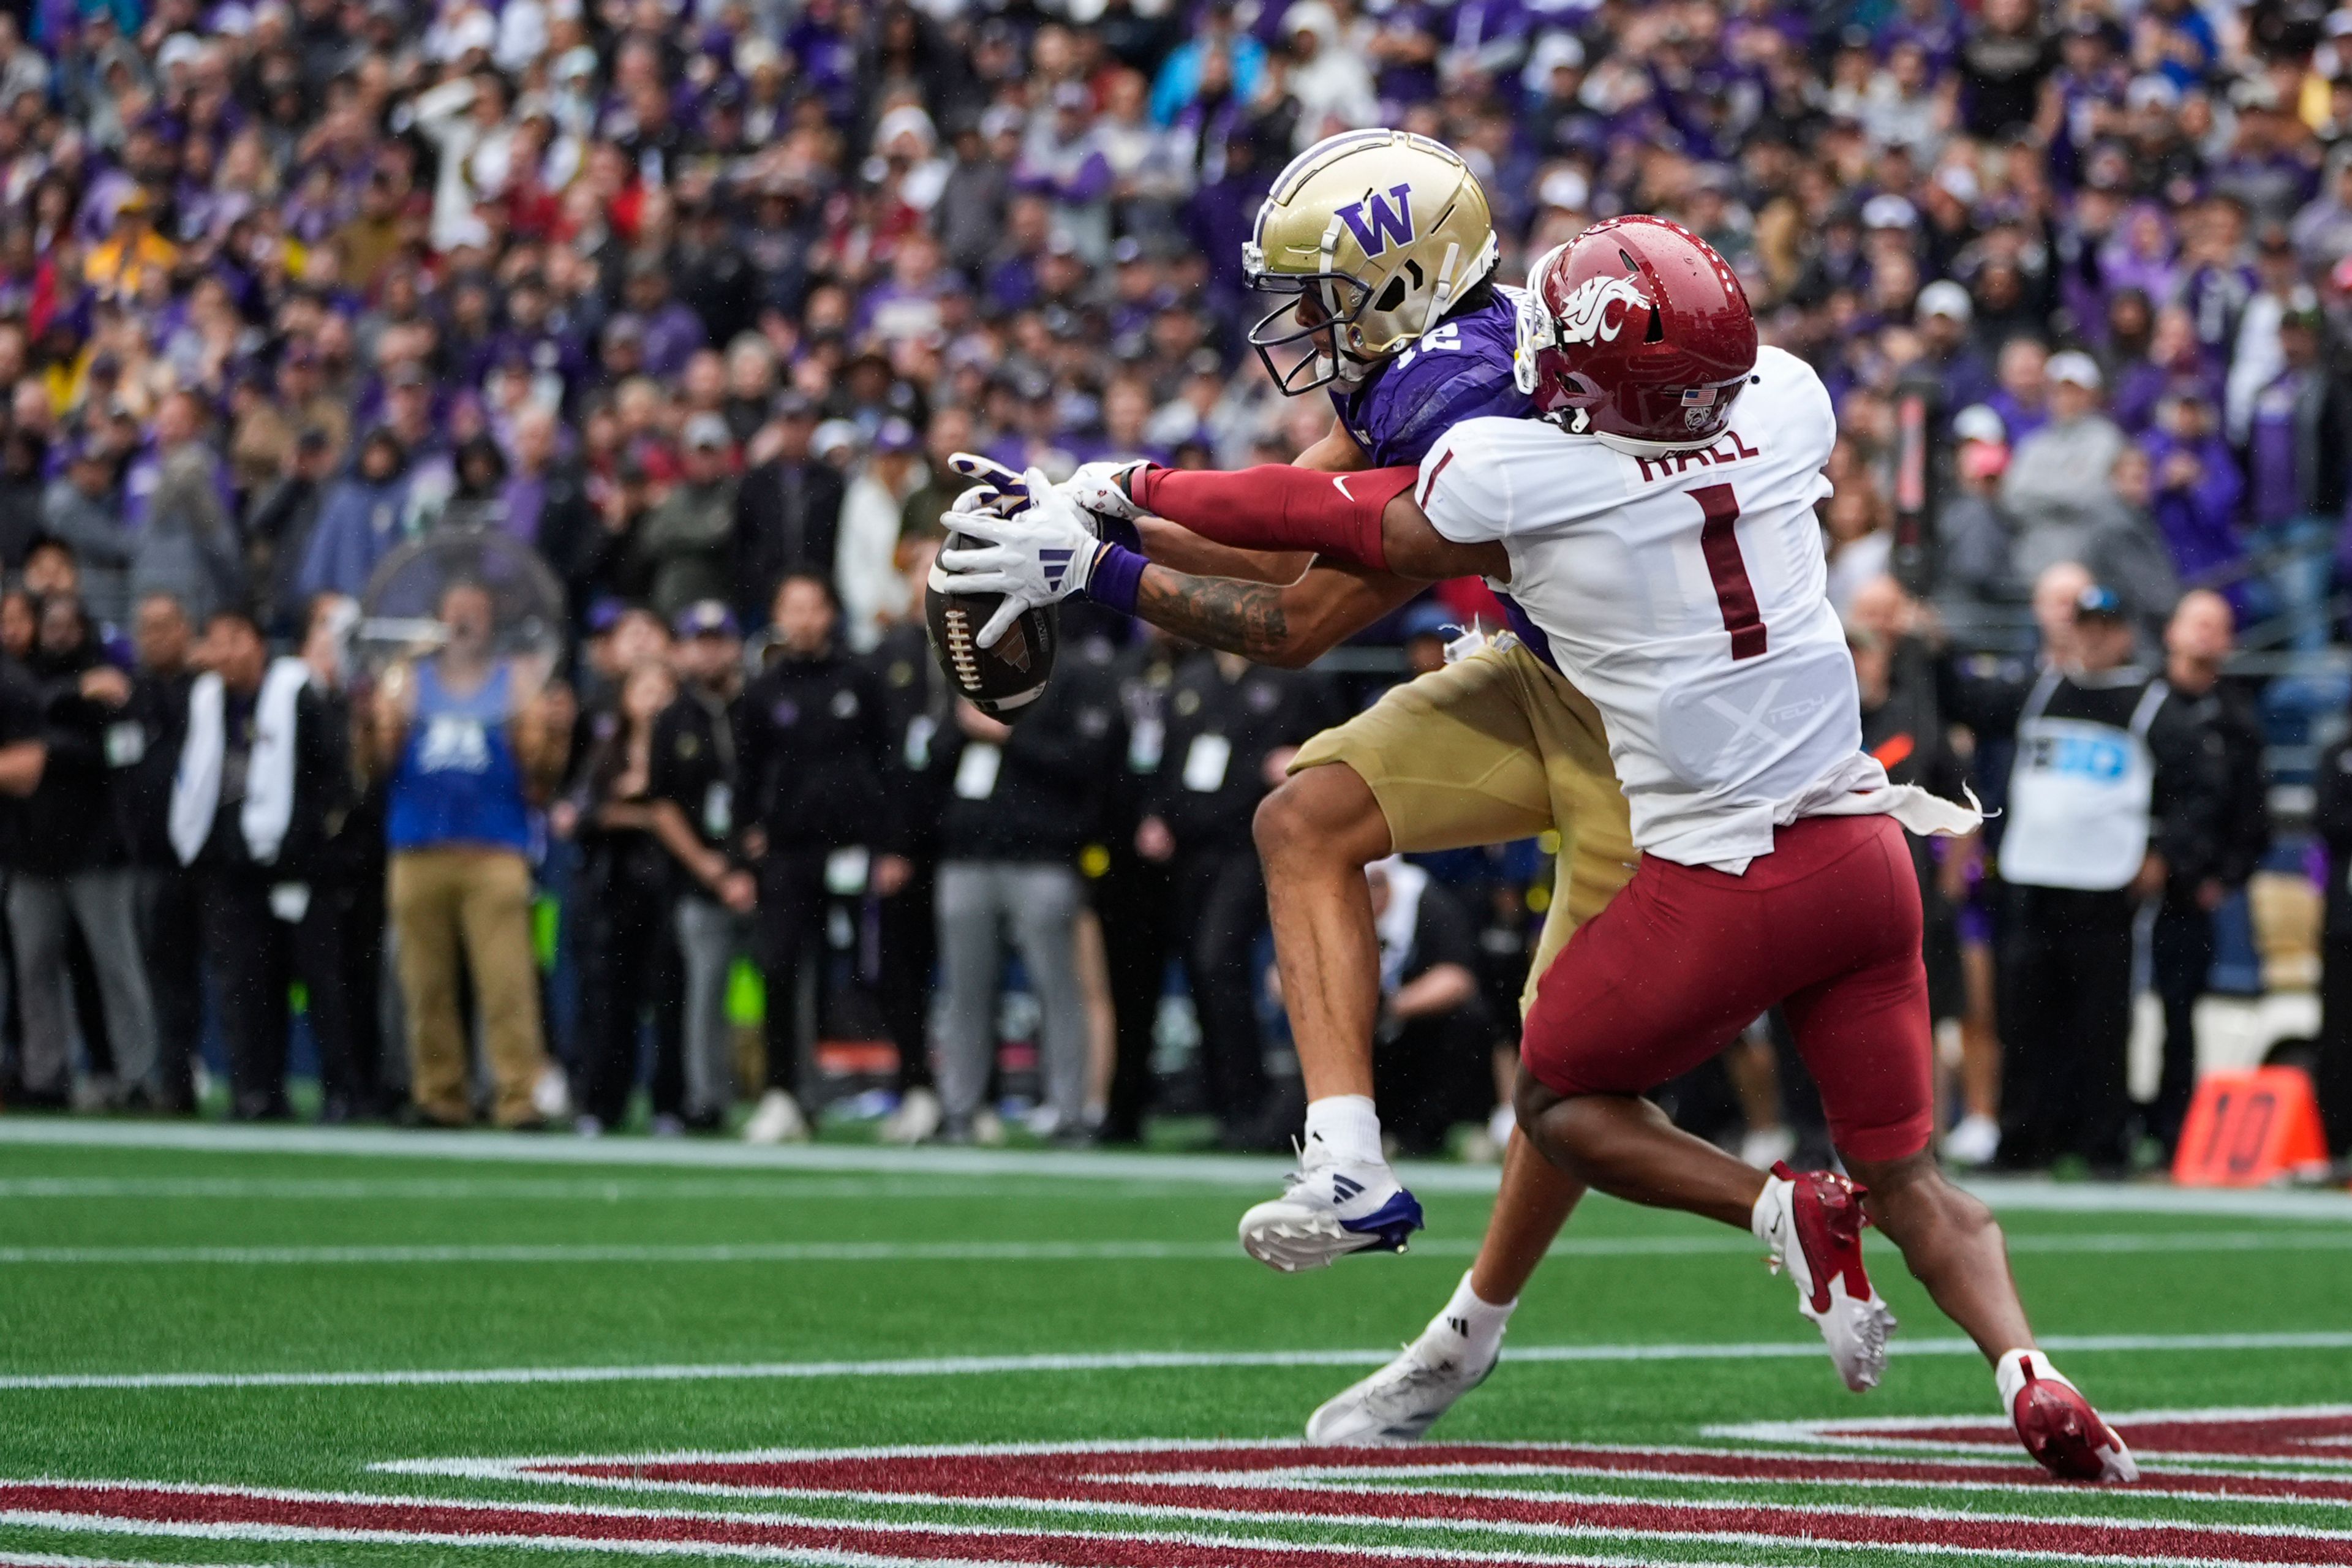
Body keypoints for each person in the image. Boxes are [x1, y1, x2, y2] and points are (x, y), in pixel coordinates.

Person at [953, 216, 2134, 1482]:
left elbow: (1330, 535)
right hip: (1857, 846)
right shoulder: (1790, 399)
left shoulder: (1522, 472)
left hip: (1706, 843)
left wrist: (1117, 513)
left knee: (1563, 1098)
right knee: (1911, 1175)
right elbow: (1343, 506)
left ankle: (1726, 1222)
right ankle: (2033, 1371)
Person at [1954, 584, 2226, 1172]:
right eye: (2086, 625)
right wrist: (1933, 645)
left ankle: (2103, 1141)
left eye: (2106, 626)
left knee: (2102, 1022)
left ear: (2125, 634)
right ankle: (2023, 1138)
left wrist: (2161, 851)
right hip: (2036, 876)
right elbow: (1968, 702)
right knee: (2024, 1018)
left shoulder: (2151, 704)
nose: (2095, 637)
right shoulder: (2041, 688)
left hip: (2105, 883)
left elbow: (2199, 788)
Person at [364, 580, 571, 1128]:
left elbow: (539, 775)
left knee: (507, 983)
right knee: (424, 983)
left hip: (495, 848)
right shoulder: (407, 680)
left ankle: (518, 1097)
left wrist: (553, 736)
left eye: (475, 612)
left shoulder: (517, 682)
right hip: (418, 844)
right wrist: (374, 720)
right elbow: (376, 764)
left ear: (490, 621)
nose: (464, 623)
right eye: (454, 612)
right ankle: (440, 1095)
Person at [1139, 646, 1337, 1148]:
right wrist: (1156, 812)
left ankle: (1250, 1106)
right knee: (1202, 969)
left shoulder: (1293, 679)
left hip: (1252, 845)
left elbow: (1338, 745)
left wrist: (1303, 762)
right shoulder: (1191, 680)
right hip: (1192, 846)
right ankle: (1226, 1104)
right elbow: (1163, 755)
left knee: (1217, 959)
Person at [733, 573, 903, 1144]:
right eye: (792, 608)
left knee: (882, 972)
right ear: (779, 615)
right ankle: (784, 1094)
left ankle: (916, 1090)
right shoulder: (763, 691)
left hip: (857, 852)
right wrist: (745, 839)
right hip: (789, 854)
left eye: (813, 607)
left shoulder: (863, 680)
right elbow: (746, 775)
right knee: (780, 968)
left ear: (830, 613)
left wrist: (891, 844)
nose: (803, 619)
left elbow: (889, 765)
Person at [164, 607, 343, 1121]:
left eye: (234, 639)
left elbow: (328, 776)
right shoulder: (203, 700)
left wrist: (309, 848)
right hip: (229, 864)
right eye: (214, 641)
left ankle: (341, 1091)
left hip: (295, 865)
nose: (223, 652)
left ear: (259, 643)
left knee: (317, 983)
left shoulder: (297, 694)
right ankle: (254, 1092)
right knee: (243, 985)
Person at [2147, 590, 2268, 1154]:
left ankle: (2173, 1130)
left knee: (2180, 1009)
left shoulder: (2238, 720)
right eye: (2195, 622)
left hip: (2190, 889)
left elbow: (2252, 815)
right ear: (2171, 630)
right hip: (2118, 878)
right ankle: (2094, 1125)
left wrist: (2223, 876)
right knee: (2095, 1003)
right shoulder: (2142, 702)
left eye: (2215, 626)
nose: (2203, 635)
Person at [646, 601, 758, 1132]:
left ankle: (789, 1093)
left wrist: (757, 854)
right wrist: (710, 867)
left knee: (787, 983)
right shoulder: (672, 717)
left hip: (763, 871)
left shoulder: (759, 707)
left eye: (718, 639)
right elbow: (661, 803)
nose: (710, 650)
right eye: (700, 640)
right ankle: (706, 1099)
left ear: (735, 646)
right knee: (701, 993)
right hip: (699, 876)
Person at [564, 657, 681, 1134]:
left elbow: (691, 808)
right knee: (610, 1001)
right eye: (643, 689)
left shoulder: (684, 746)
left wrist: (641, 806)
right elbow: (585, 813)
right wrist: (646, 813)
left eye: (661, 689)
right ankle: (600, 1103)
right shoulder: (605, 747)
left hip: (670, 888)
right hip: (614, 888)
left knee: (670, 999)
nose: (652, 699)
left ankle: (669, 1104)